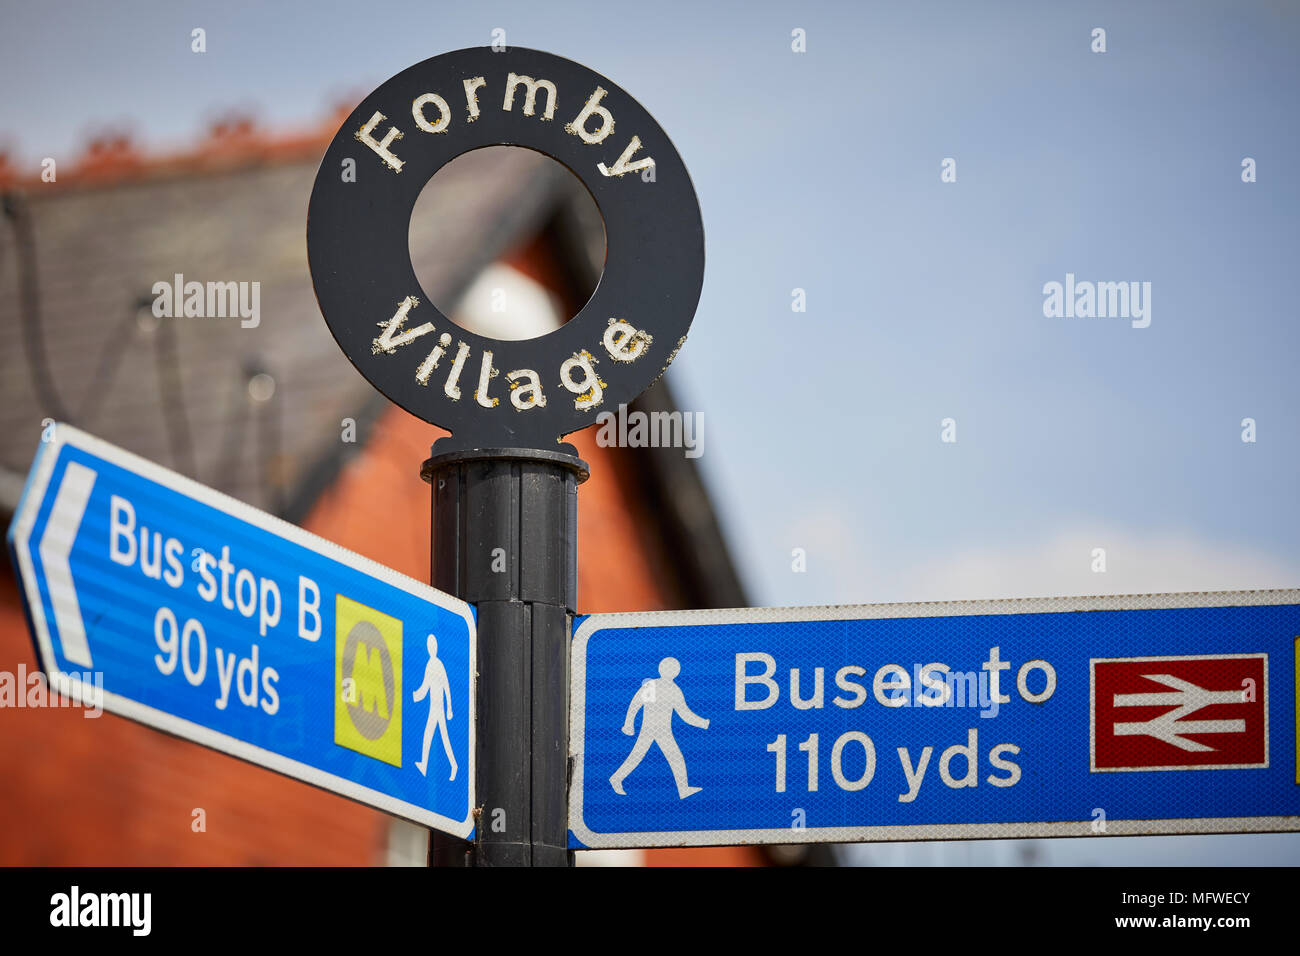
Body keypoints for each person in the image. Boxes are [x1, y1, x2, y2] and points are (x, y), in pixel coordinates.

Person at [610, 657, 709, 798]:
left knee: (669, 757)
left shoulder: (670, 689)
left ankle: (683, 789)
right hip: (652, 729)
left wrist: (702, 723)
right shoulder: (655, 686)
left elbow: (684, 713)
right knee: (643, 756)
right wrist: (628, 724)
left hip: (661, 730)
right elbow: (636, 703)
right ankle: (616, 778)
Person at [413, 634, 456, 780]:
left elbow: (445, 686)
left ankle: (453, 765)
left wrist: (450, 708)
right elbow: (426, 686)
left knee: (442, 737)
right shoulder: (432, 663)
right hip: (435, 707)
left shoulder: (435, 664)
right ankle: (425, 764)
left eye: (432, 646)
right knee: (432, 735)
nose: (430, 648)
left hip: (438, 707)